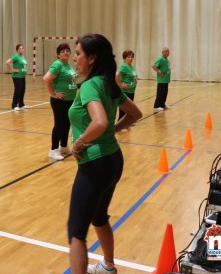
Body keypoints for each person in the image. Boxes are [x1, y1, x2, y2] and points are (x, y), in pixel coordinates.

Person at [67, 34, 142, 274]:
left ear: (92, 58)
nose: (75, 59)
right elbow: (135, 114)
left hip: (95, 164)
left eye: (78, 54)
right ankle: (108, 266)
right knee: (99, 216)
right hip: (113, 161)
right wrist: (113, 129)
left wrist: (78, 143)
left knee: (76, 232)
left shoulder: (90, 86)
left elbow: (99, 122)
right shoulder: (108, 83)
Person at [43, 43, 78, 160]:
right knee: (59, 124)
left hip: (70, 100)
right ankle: (53, 150)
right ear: (58, 54)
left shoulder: (68, 65)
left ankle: (63, 146)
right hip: (60, 101)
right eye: (62, 51)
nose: (66, 52)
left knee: (67, 124)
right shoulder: (57, 64)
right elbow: (46, 78)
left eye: (67, 50)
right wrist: (54, 94)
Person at [116, 50, 137, 120]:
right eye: (128, 57)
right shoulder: (124, 66)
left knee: (129, 108)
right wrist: (121, 84)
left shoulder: (130, 66)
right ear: (125, 58)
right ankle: (120, 122)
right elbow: (117, 75)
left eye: (132, 57)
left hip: (131, 91)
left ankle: (127, 122)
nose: (131, 58)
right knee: (124, 109)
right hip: (125, 92)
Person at [6, 43, 27, 111]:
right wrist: (13, 70)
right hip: (17, 77)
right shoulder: (16, 56)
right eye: (20, 49)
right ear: (17, 50)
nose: (21, 50)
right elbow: (7, 62)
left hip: (22, 76)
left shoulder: (22, 56)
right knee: (17, 90)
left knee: (22, 90)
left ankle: (21, 104)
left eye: (22, 48)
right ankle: (14, 105)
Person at [152, 46, 171, 112]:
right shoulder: (160, 58)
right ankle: (156, 106)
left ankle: (162, 105)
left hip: (166, 80)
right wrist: (159, 72)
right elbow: (154, 66)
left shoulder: (167, 60)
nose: (167, 53)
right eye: (166, 51)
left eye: (168, 51)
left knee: (164, 94)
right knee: (160, 94)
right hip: (161, 81)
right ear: (162, 52)